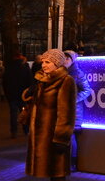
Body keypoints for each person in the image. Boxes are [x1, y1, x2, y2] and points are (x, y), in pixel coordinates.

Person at [24, 49, 77, 181]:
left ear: (57, 64)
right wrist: (30, 94)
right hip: (42, 135)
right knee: (51, 172)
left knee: (57, 173)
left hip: (54, 135)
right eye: (43, 62)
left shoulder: (66, 81)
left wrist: (61, 138)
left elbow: (66, 113)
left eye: (48, 62)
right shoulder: (43, 80)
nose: (43, 65)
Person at [62, 50, 91, 170]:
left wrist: (73, 99)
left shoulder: (77, 73)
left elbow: (87, 90)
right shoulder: (59, 72)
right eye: (63, 58)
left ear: (73, 60)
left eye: (67, 59)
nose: (64, 61)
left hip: (74, 111)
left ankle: (72, 163)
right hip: (61, 109)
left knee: (70, 135)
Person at [4, 52, 34, 138]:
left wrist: (7, 94)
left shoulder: (9, 68)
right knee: (24, 113)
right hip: (23, 95)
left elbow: (5, 82)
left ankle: (14, 131)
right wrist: (29, 94)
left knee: (13, 114)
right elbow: (30, 82)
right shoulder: (25, 68)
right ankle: (26, 130)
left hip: (12, 94)